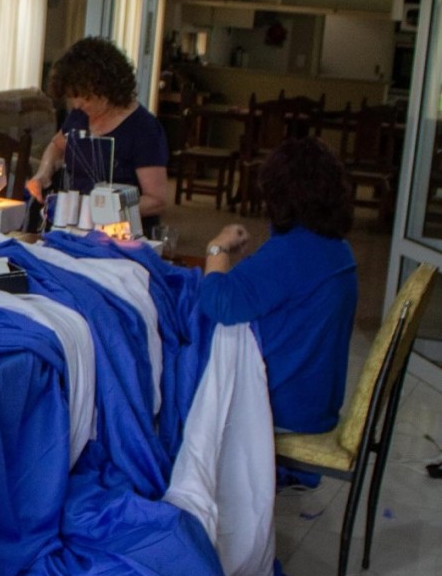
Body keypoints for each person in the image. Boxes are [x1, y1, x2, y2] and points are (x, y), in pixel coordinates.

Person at [198, 135, 358, 434]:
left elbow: (217, 302)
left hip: (280, 407)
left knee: (179, 355)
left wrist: (217, 247)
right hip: (315, 403)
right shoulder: (337, 249)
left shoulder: (293, 253)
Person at [25, 37, 168, 235]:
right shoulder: (80, 115)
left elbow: (157, 200)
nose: (76, 104)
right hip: (74, 226)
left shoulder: (144, 129)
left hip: (119, 233)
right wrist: (43, 173)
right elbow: (57, 146)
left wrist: (104, 211)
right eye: (72, 96)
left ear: (107, 88)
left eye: (85, 97)